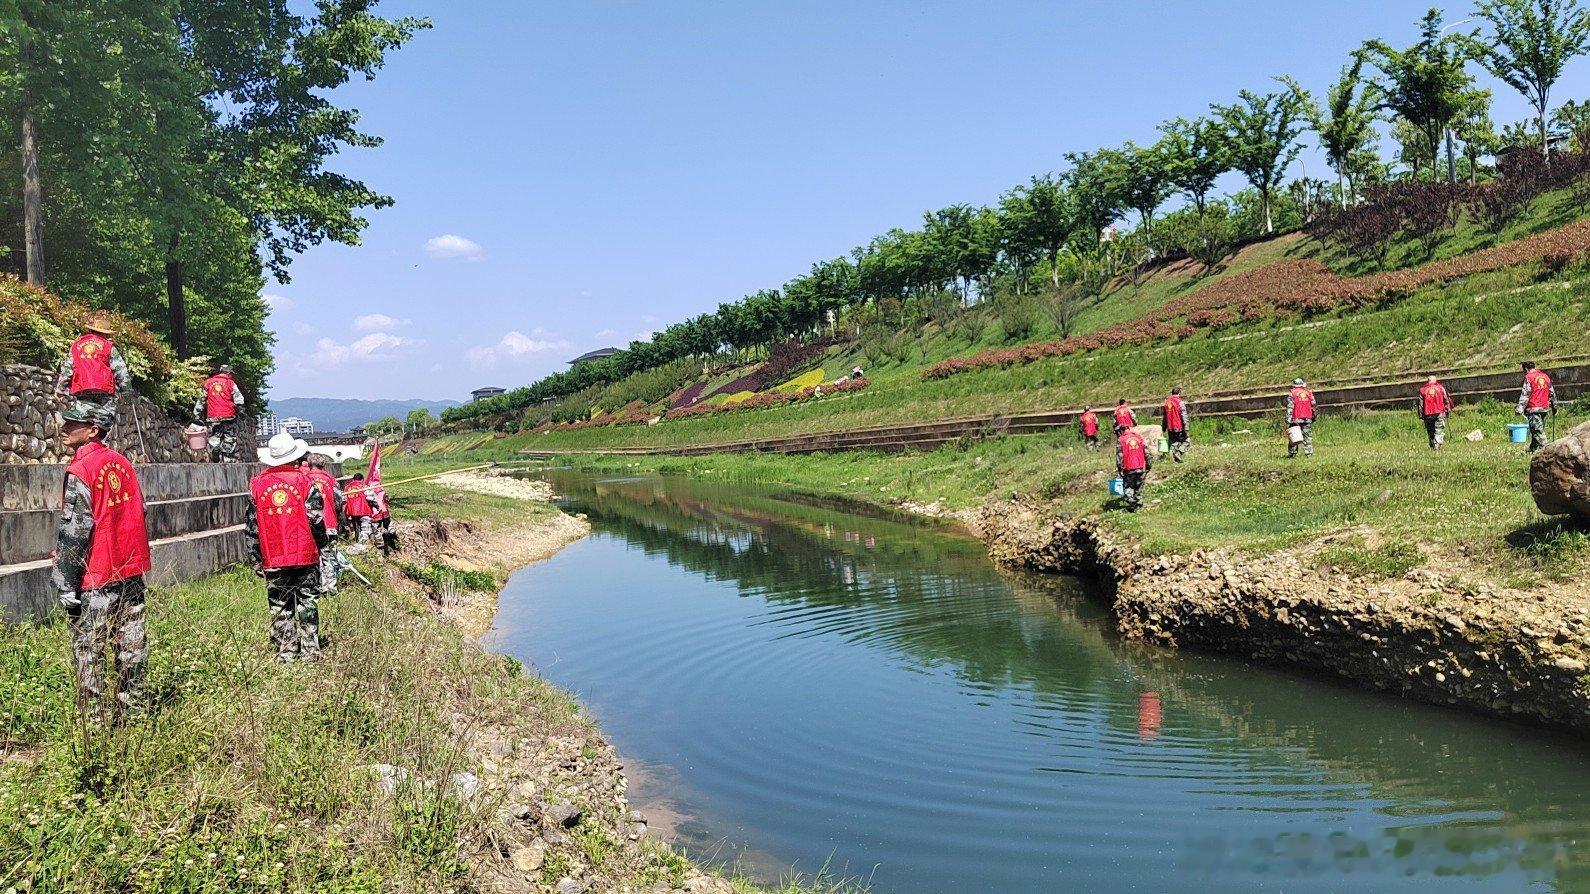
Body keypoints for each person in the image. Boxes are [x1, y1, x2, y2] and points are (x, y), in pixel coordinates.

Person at [51, 400, 151, 722]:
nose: (64, 429)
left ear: (94, 430)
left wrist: (65, 581)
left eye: (72, 424)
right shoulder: (123, 463)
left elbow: (75, 529)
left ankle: (94, 724)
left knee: (89, 651)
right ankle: (133, 715)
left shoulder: (81, 469)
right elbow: (140, 510)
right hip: (130, 571)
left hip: (97, 574)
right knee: (131, 646)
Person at [248, 432, 327, 662]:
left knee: (280, 605)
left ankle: (286, 653)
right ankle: (311, 651)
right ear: (294, 456)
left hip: (273, 556)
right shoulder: (305, 482)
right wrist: (321, 544)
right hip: (304, 553)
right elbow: (316, 519)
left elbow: (252, 526)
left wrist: (255, 557)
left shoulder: (257, 485)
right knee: (307, 601)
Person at [54, 312, 132, 419]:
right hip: (103, 389)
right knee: (105, 420)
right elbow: (120, 370)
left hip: (82, 387)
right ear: (105, 334)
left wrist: (60, 390)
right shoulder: (108, 347)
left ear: (90, 330)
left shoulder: (76, 345)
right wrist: (127, 391)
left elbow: (67, 369)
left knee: (82, 419)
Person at [302, 454, 343, 595]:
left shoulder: (304, 480)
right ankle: (330, 589)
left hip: (310, 526)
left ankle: (316, 587)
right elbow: (339, 503)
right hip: (329, 523)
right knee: (329, 556)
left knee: (313, 557)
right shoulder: (331, 480)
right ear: (323, 465)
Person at [195, 364, 246, 463]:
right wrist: (241, 409)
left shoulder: (208, 383)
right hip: (228, 414)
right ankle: (227, 459)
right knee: (229, 436)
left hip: (213, 415)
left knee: (215, 434)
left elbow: (201, 399)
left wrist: (197, 412)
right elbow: (238, 398)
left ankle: (215, 448)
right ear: (228, 373)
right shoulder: (230, 383)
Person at [1517, 361, 1557, 452]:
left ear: (1526, 369)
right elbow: (1552, 393)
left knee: (1538, 432)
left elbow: (1525, 394)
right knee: (1537, 430)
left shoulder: (1529, 377)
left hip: (1533, 408)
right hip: (1544, 408)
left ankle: (1548, 451)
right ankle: (1533, 448)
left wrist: (1519, 409)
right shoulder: (1545, 376)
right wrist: (1554, 407)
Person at [1116, 426, 1152, 512]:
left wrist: (1119, 467)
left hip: (1128, 468)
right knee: (1139, 486)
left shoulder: (1121, 440)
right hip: (1140, 466)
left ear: (1121, 431)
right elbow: (1146, 452)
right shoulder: (1139, 438)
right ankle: (1139, 504)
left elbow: (1119, 456)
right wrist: (1149, 464)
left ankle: (1131, 504)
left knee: (1128, 486)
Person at [1417, 375, 1454, 450]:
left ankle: (1432, 444)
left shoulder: (1423, 390)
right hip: (1439, 412)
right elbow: (1446, 400)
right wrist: (1447, 410)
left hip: (1427, 413)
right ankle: (1437, 445)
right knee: (1439, 429)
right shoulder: (1441, 388)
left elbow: (1420, 404)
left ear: (1428, 381)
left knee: (1430, 431)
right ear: (1435, 381)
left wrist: (1421, 415)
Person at [1286, 378, 1316, 458]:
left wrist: (1288, 419)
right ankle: (1309, 454)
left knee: (1294, 437)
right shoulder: (1309, 393)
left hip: (1295, 419)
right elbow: (1313, 404)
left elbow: (1290, 407)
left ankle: (1292, 454)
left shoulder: (1292, 393)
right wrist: (1313, 416)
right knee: (1307, 437)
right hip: (1307, 417)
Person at [1160, 387, 1191, 463]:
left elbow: (1164, 417)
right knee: (1187, 441)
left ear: (1172, 393)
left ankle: (1173, 459)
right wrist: (1186, 428)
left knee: (1174, 442)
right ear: (1179, 393)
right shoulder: (1180, 402)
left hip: (1170, 428)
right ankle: (1179, 453)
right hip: (1178, 427)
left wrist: (1164, 427)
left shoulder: (1166, 403)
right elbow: (1184, 416)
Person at [343, 472, 373, 542]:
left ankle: (356, 539)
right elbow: (370, 497)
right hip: (362, 509)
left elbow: (344, 499)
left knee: (354, 526)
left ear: (353, 479)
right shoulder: (363, 486)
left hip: (351, 511)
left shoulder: (347, 487)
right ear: (362, 479)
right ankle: (364, 541)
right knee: (365, 527)